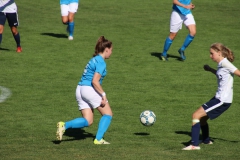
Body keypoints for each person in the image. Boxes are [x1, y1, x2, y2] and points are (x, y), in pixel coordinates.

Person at [182, 43, 240, 150]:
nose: (210, 56)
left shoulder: (226, 63)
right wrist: (210, 70)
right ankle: (206, 140)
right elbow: (221, 74)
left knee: (196, 115)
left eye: (211, 53)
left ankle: (194, 145)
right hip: (218, 97)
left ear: (219, 53)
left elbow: (238, 73)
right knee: (202, 119)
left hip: (222, 100)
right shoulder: (221, 63)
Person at [56, 36, 113, 144]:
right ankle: (99, 139)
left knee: (88, 120)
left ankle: (64, 125)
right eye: (111, 50)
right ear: (106, 49)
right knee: (108, 114)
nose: (111, 52)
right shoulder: (101, 62)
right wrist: (103, 94)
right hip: (89, 90)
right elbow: (95, 81)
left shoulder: (93, 59)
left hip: (80, 89)